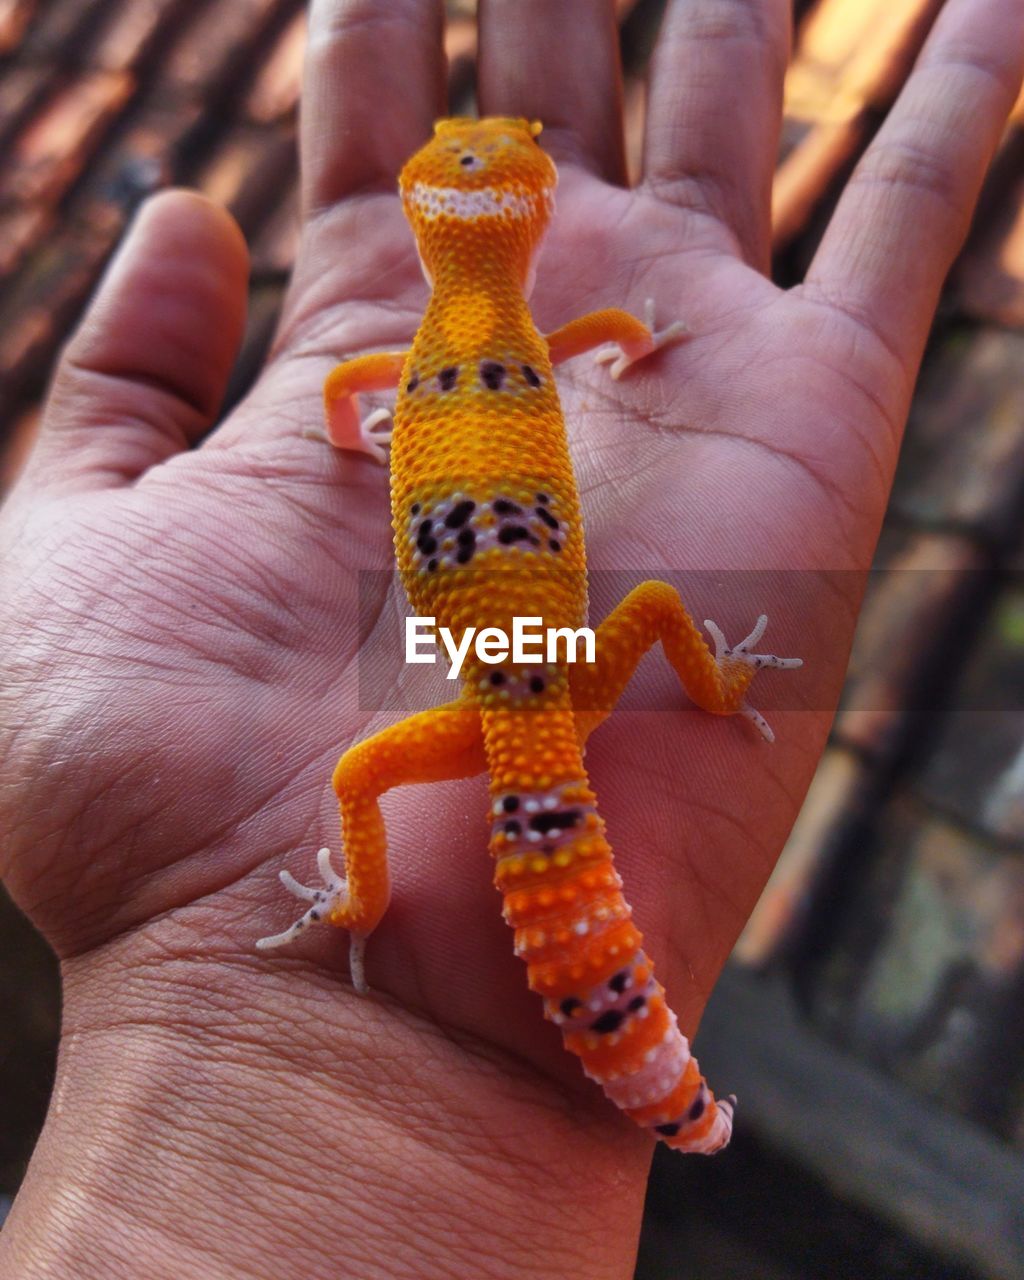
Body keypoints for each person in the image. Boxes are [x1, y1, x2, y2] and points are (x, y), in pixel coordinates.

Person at [0, 1, 1020, 1275]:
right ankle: (718, 704)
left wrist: (342, 450)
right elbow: (597, 342)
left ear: (431, 223)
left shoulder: (408, 351)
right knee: (646, 620)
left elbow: (337, 394)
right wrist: (642, 343)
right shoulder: (536, 336)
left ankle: (362, 907)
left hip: (499, 698)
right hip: (553, 686)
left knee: (357, 775)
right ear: (527, 219)